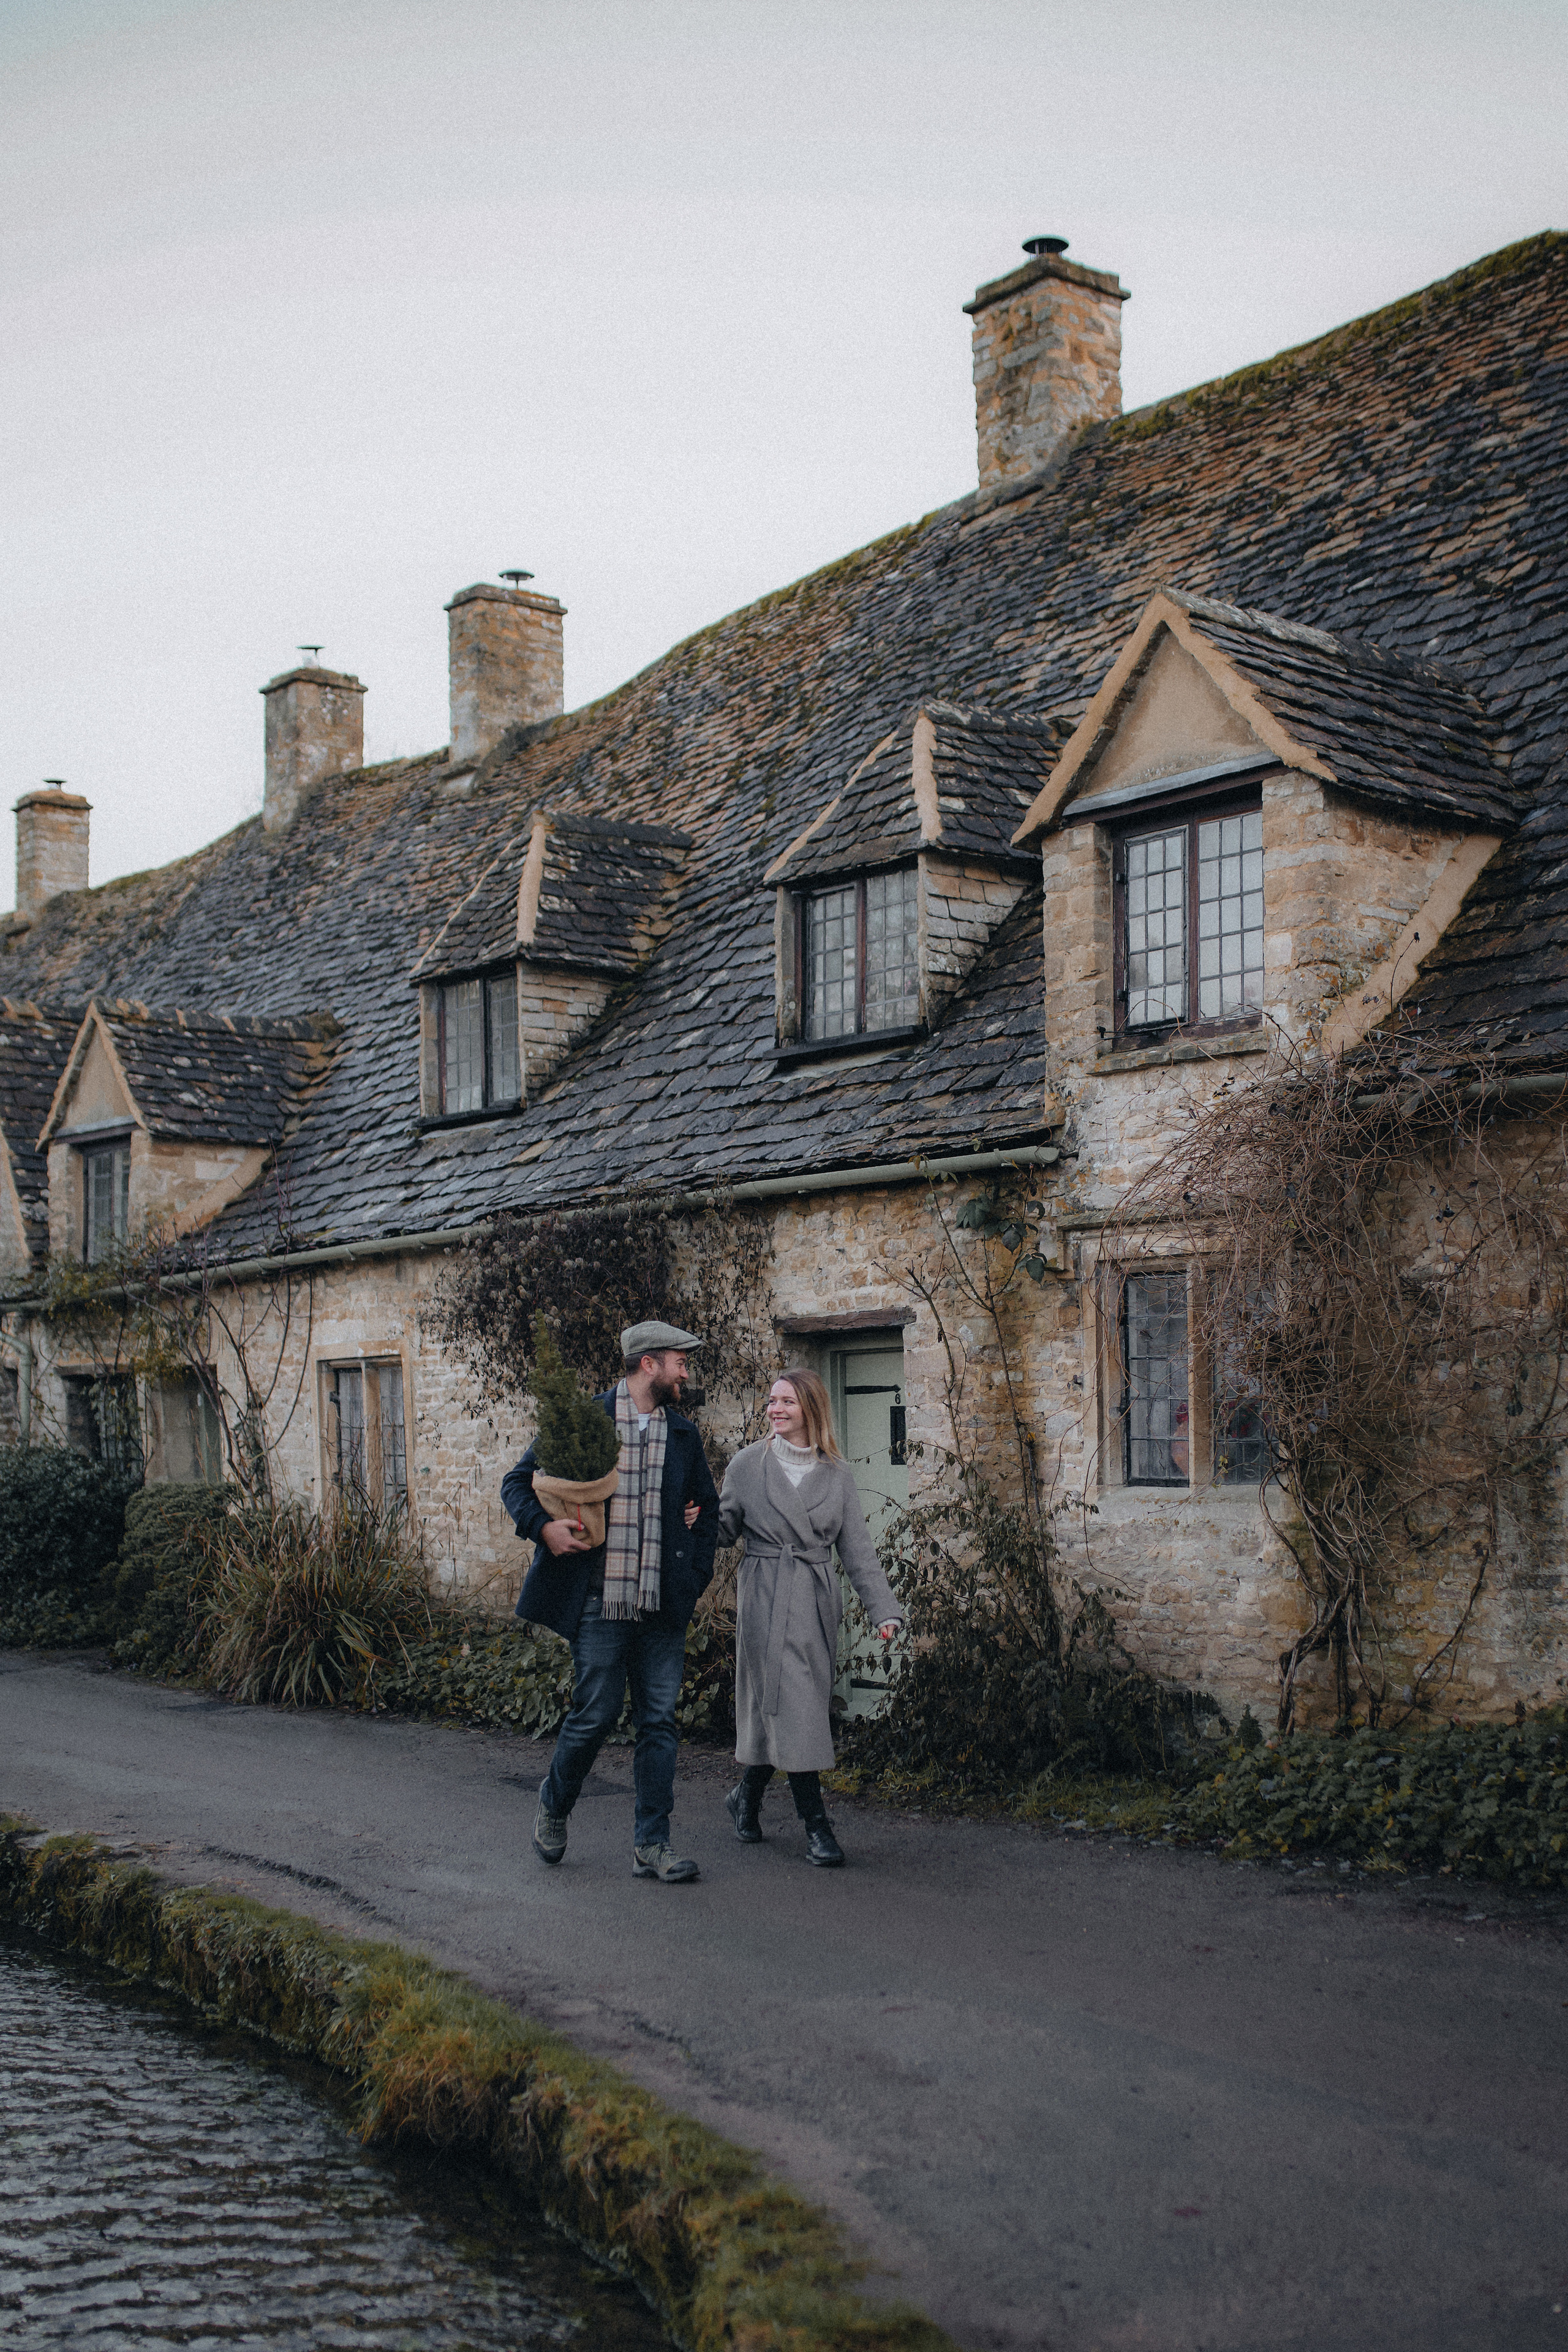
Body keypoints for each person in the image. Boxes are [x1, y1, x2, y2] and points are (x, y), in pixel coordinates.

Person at [502, 1320, 718, 1883]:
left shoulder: (683, 1437)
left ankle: (653, 1843)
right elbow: (517, 1484)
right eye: (679, 1362)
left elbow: (708, 1512)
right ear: (649, 1364)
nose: (685, 1373)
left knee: (659, 1722)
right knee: (594, 1715)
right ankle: (554, 1802)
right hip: (600, 1600)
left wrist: (692, 1577)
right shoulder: (588, 1421)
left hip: (662, 1605)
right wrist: (544, 1531)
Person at [716, 1366, 902, 1867]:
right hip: (765, 1598)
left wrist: (883, 1610)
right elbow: (722, 1530)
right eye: (772, 1401)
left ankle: (745, 1798)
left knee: (786, 1708)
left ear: (810, 1410)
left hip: (816, 1601)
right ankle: (817, 1825)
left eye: (787, 1402)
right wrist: (692, 1515)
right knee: (789, 1708)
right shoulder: (746, 1466)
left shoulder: (837, 1474)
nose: (775, 1409)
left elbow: (858, 1551)